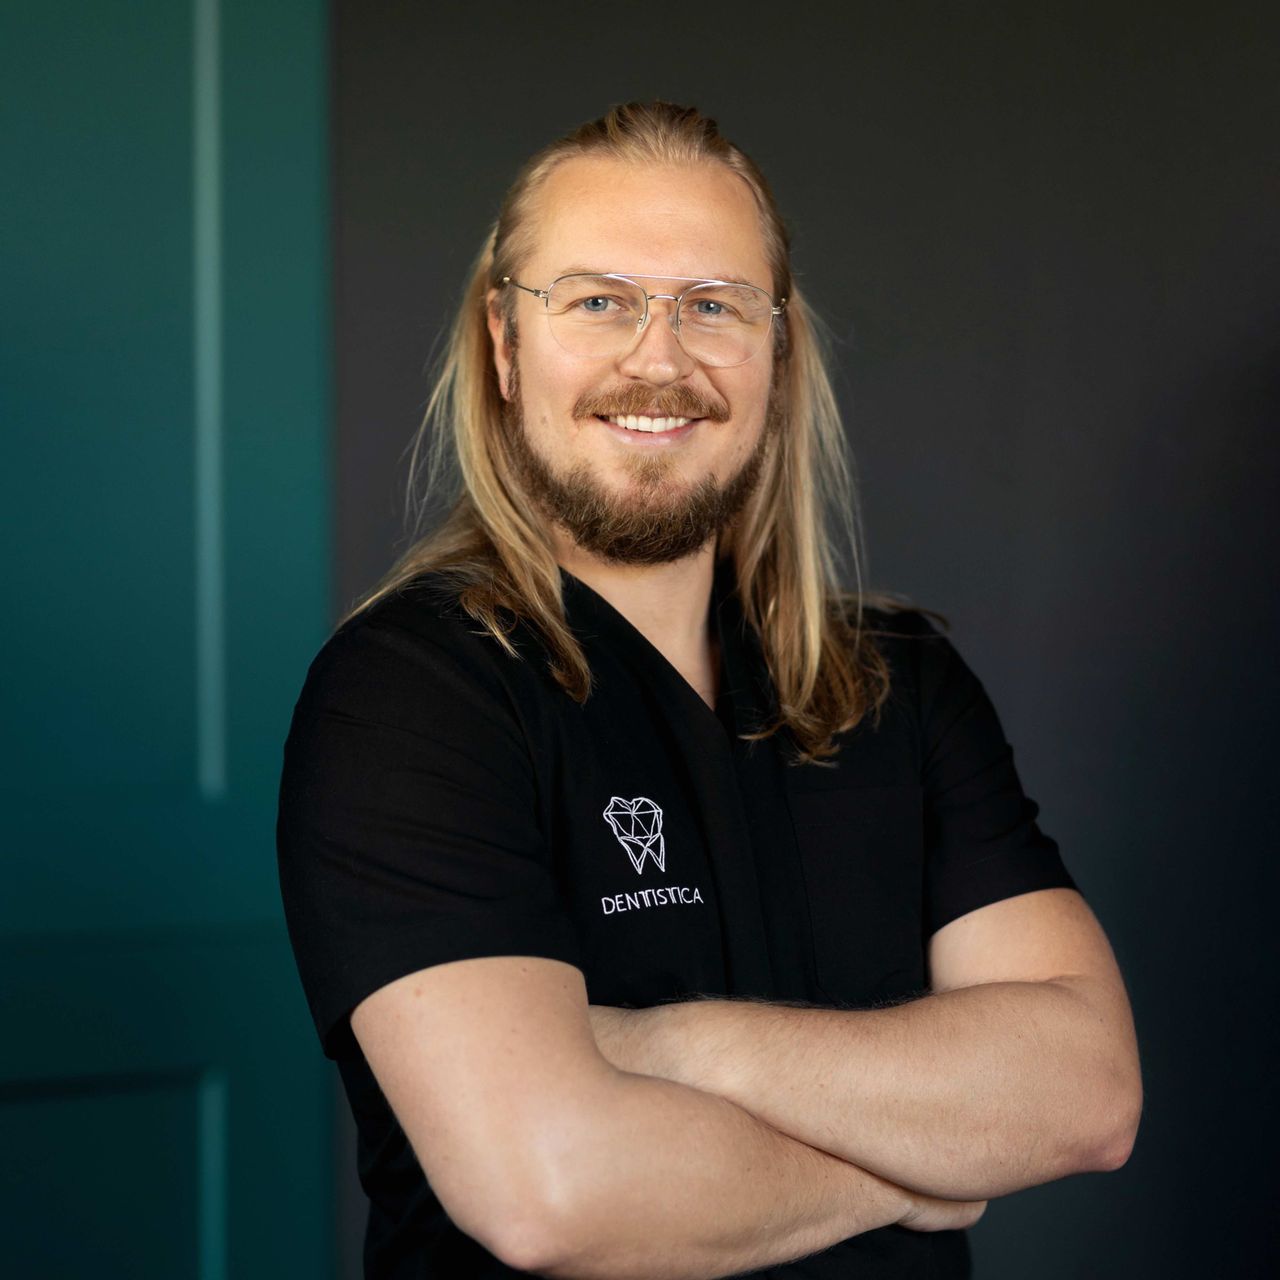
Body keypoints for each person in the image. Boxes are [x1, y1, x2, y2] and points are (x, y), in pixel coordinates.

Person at [277, 100, 1142, 1279]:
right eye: (597, 300)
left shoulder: (899, 680)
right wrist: (919, 1167)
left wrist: (675, 1045)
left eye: (713, 305)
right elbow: (553, 1191)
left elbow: (1086, 1088)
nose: (658, 358)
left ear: (777, 353)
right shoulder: (411, 693)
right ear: (503, 344)